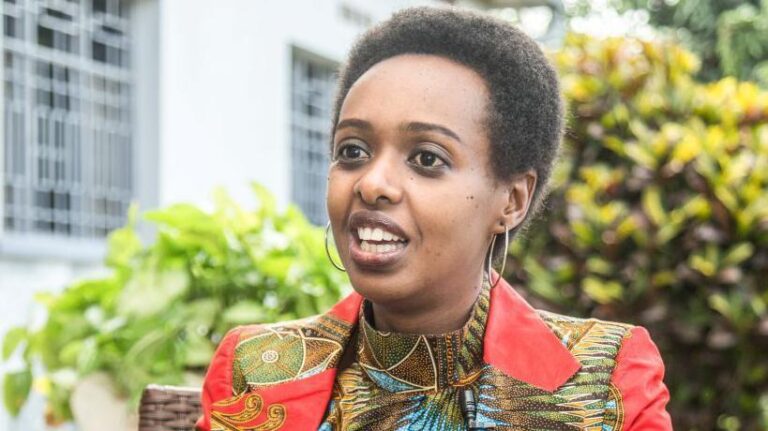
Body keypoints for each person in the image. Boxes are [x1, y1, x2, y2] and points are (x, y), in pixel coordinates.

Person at [196, 6, 672, 431]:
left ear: (511, 200)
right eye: (353, 150)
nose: (371, 183)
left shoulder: (605, 382)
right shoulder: (256, 370)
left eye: (426, 158)